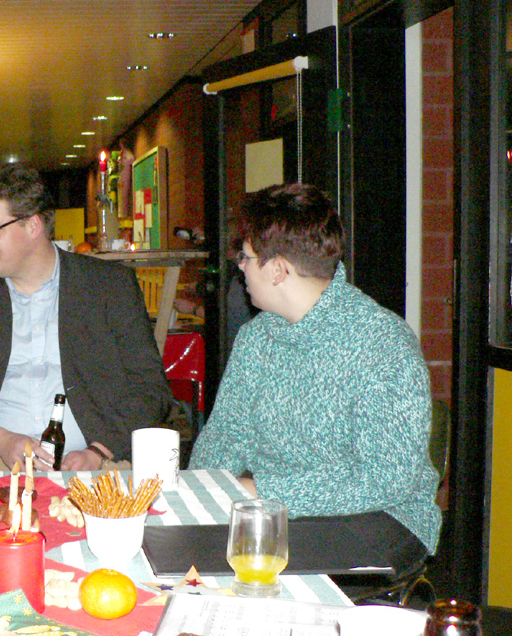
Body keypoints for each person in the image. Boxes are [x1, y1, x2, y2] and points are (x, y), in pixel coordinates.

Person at [188, 182, 442, 554]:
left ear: (277, 270)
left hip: (382, 517)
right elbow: (226, 435)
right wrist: (194, 492)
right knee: (190, 554)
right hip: (281, 512)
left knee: (254, 566)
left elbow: (387, 479)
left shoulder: (382, 342)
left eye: (245, 257)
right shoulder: (256, 337)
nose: (239, 268)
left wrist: (262, 492)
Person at [0, 164, 173, 471]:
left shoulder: (108, 287)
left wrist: (99, 450)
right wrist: (1, 441)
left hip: (95, 458)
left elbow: (150, 390)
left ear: (33, 226)